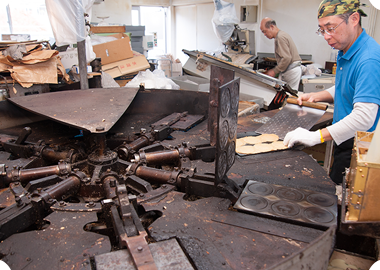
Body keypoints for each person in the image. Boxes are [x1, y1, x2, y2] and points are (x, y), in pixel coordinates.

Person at [283, 0, 380, 185]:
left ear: (354, 19)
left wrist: (316, 136)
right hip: (344, 137)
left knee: (340, 198)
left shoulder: (369, 59)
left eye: (331, 28)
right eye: (322, 30)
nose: (326, 36)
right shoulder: (346, 49)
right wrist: (319, 96)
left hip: (357, 146)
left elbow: (364, 117)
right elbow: (349, 86)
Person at [259, 17, 302, 91]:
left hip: (291, 71)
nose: (264, 34)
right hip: (290, 70)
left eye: (265, 31)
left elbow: (287, 58)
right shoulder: (282, 35)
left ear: (272, 27)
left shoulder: (280, 37)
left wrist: (274, 71)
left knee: (289, 97)